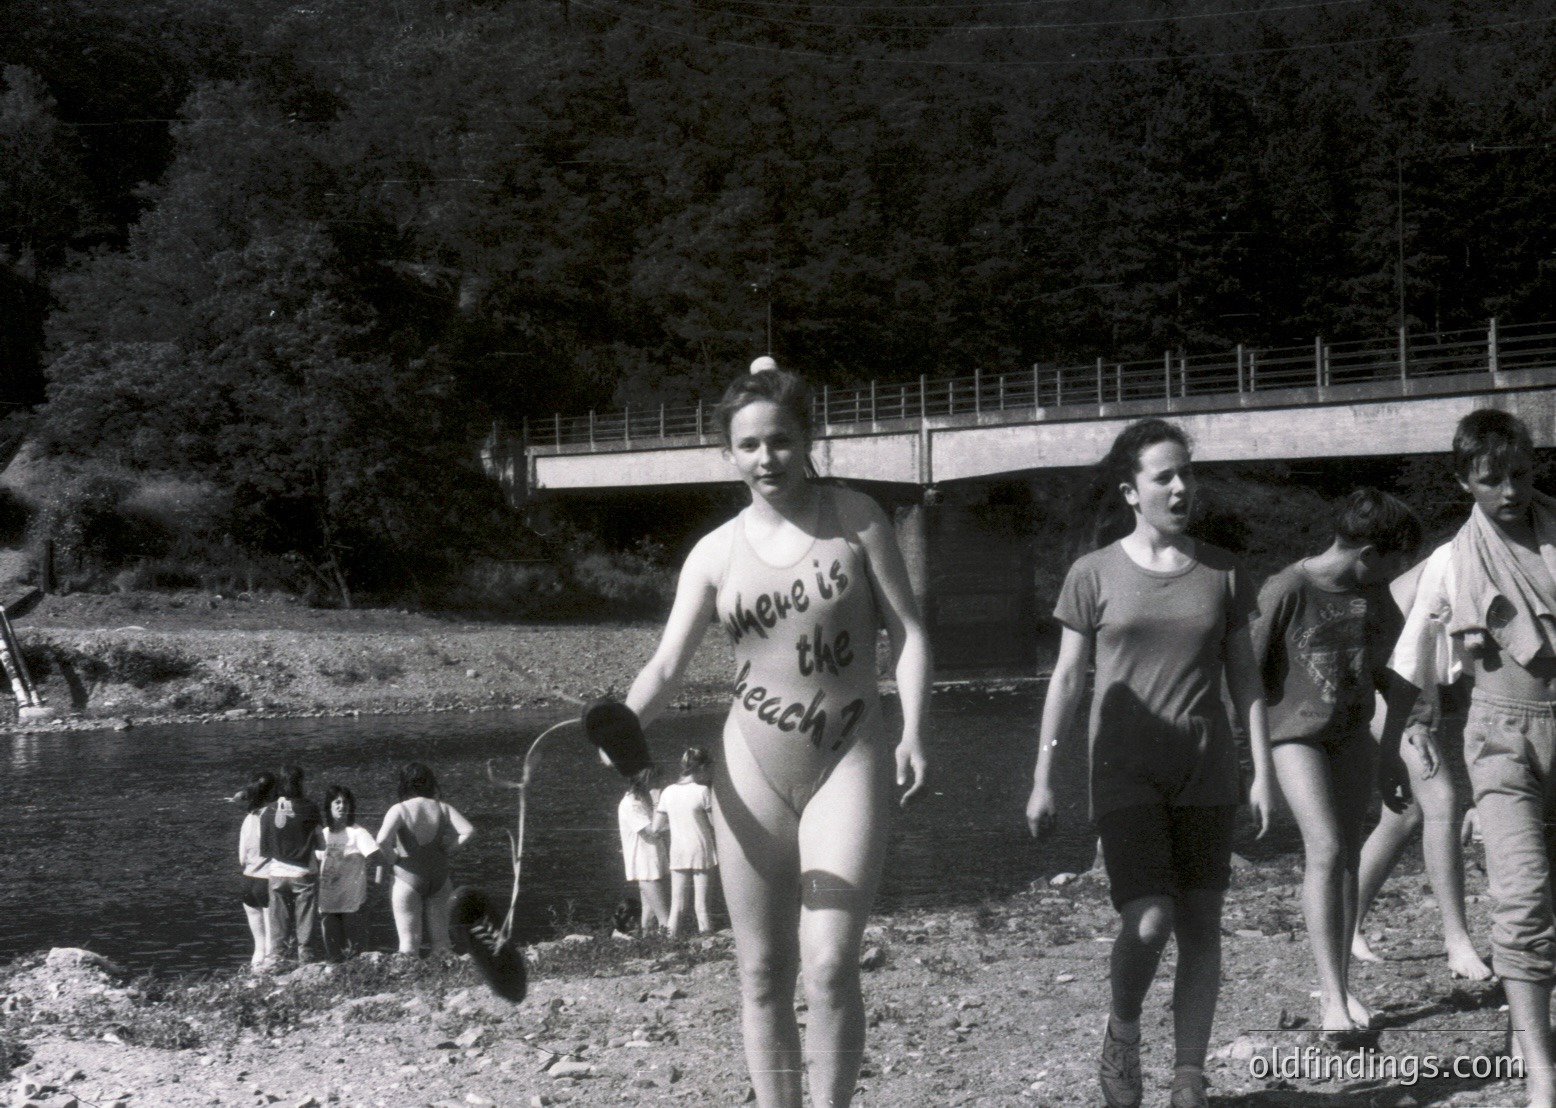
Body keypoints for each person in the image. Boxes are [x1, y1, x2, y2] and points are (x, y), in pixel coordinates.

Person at [623, 366, 929, 1108]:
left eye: (782, 442)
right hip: (749, 768)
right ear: (729, 454)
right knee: (761, 971)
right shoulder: (715, 552)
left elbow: (909, 633)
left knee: (827, 964)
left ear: (807, 440)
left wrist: (914, 730)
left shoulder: (858, 520)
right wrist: (620, 726)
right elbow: (666, 664)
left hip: (848, 760)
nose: (767, 459)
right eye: (750, 445)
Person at [1026, 417, 1274, 1108]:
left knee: (1200, 923)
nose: (1179, 487)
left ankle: (1190, 1074)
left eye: (1186, 473)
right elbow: (1069, 680)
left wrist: (1264, 770)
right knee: (1149, 919)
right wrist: (1044, 776)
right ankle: (1124, 1032)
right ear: (1130, 490)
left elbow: (1246, 680)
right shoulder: (1093, 573)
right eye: (1163, 475)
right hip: (1124, 771)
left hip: (1207, 769)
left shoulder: (1223, 571)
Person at [1387, 409, 1556, 1107]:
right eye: (1492, 480)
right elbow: (1408, 666)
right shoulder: (1455, 561)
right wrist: (1391, 750)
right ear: (1465, 483)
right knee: (1521, 897)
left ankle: (1534, 1029)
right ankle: (1542, 1072)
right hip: (1500, 733)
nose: (1509, 491)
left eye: (1519, 474)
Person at [1251, 488, 1422, 1037]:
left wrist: (1394, 753)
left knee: (1346, 856)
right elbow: (1244, 676)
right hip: (1293, 737)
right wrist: (1252, 764)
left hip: (1349, 736)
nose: (1398, 574)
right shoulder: (1288, 588)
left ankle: (1342, 988)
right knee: (1323, 847)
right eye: (1396, 562)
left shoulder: (1372, 597)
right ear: (1369, 553)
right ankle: (1330, 1002)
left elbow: (1396, 678)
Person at [1350, 561, 1492, 982]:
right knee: (1443, 799)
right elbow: (1408, 649)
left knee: (1406, 811)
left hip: (1406, 678)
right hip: (1377, 675)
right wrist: (1415, 722)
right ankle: (1457, 941)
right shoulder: (1460, 558)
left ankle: (1346, 924)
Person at [376, 762, 476, 958]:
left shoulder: (399, 809)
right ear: (431, 783)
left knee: (409, 943)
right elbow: (468, 831)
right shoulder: (442, 808)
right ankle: (446, 980)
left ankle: (409, 984)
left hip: (407, 876)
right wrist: (447, 848)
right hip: (439, 876)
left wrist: (392, 858)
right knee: (442, 943)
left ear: (404, 784)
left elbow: (381, 840)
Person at [652, 746, 719, 937]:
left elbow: (656, 828)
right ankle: (708, 943)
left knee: (677, 906)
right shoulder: (703, 791)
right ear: (702, 767)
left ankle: (668, 943)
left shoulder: (667, 792)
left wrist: (676, 824)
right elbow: (715, 824)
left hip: (678, 850)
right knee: (702, 905)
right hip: (701, 849)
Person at [314, 784, 384, 963]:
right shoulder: (324, 834)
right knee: (333, 957)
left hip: (352, 904)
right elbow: (316, 866)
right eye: (336, 802)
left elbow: (380, 860)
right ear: (329, 807)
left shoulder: (358, 833)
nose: (341, 806)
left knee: (357, 955)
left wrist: (376, 889)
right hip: (327, 903)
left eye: (345, 802)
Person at [261, 764, 323, 964]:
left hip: (277, 872)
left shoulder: (267, 811)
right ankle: (306, 959)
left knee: (278, 922)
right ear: (300, 783)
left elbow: (266, 848)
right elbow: (321, 843)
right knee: (305, 921)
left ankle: (277, 958)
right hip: (303, 872)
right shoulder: (310, 807)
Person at [618, 766, 671, 934]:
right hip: (645, 863)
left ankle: (647, 945)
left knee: (648, 917)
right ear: (645, 781)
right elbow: (652, 830)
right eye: (655, 780)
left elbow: (658, 827)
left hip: (652, 860)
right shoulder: (631, 804)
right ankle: (671, 944)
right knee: (664, 917)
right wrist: (657, 802)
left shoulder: (641, 800)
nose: (658, 784)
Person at [235, 771, 277, 970]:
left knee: (258, 947)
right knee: (271, 946)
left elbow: (241, 857)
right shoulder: (273, 816)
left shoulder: (248, 819)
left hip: (247, 882)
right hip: (266, 880)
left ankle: (253, 979)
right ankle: (270, 981)